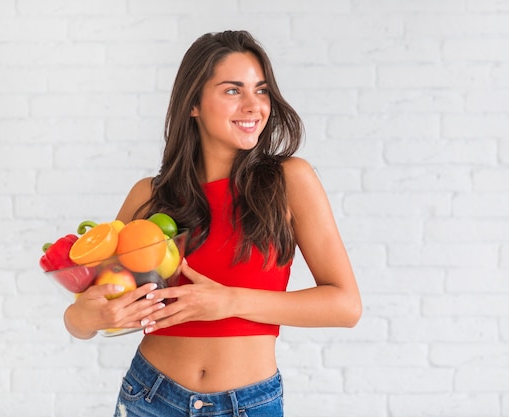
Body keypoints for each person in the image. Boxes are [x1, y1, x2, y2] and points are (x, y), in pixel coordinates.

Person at [62, 30, 362, 416]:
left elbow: (345, 305)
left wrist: (230, 300)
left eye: (262, 90)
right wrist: (82, 318)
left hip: (248, 404)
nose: (254, 105)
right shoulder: (148, 196)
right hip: (149, 397)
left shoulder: (290, 181)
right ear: (194, 104)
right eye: (233, 90)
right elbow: (96, 311)